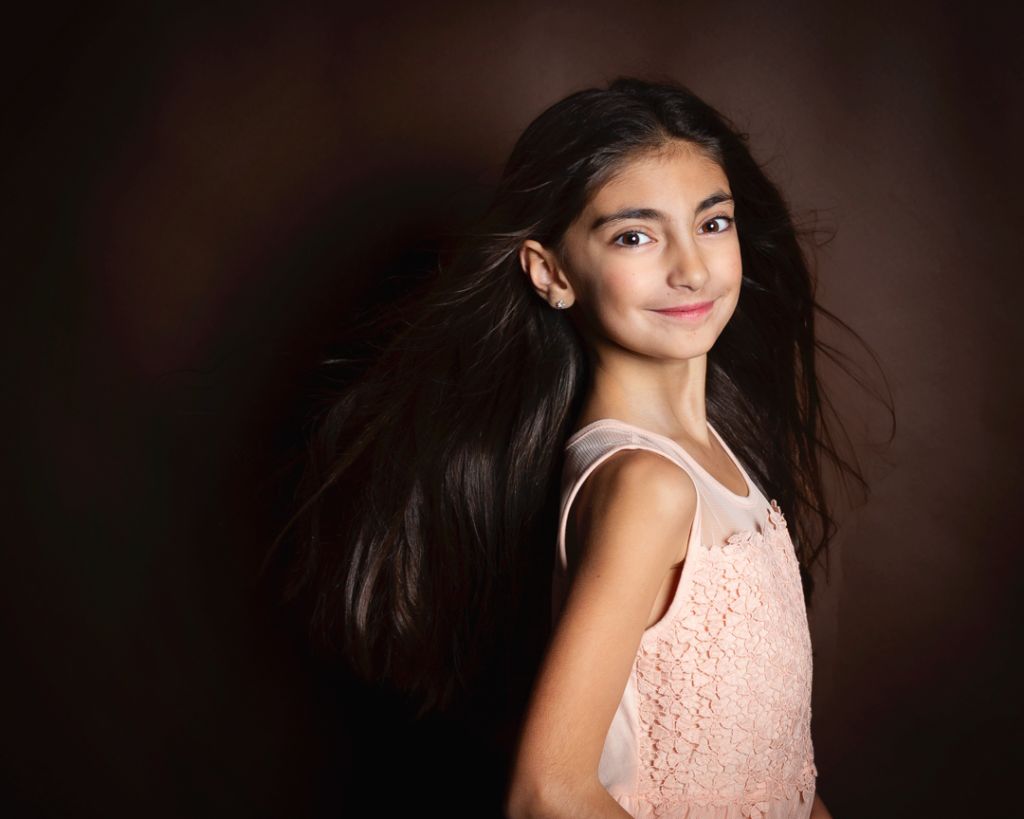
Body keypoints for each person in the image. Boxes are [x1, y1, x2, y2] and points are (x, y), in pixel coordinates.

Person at [270, 75, 886, 817]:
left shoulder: (720, 457)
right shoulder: (645, 487)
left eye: (713, 223)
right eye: (635, 235)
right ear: (552, 272)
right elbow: (546, 795)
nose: (691, 267)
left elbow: (782, 773)